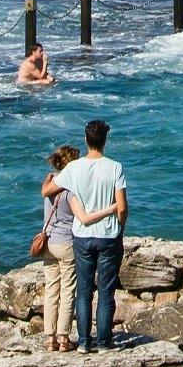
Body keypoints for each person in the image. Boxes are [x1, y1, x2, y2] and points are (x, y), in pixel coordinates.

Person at [58, 118, 129, 351]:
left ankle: (84, 342)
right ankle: (104, 342)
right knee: (106, 292)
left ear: (85, 139)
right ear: (105, 141)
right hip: (108, 235)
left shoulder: (73, 168)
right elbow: (122, 206)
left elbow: (49, 190)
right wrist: (120, 227)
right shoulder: (115, 167)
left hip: (81, 235)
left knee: (84, 291)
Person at [37, 145, 79, 351]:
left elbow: (44, 192)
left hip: (49, 243)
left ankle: (49, 338)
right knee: (68, 291)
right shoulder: (71, 188)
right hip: (67, 243)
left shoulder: (51, 185)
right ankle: (64, 338)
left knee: (52, 290)